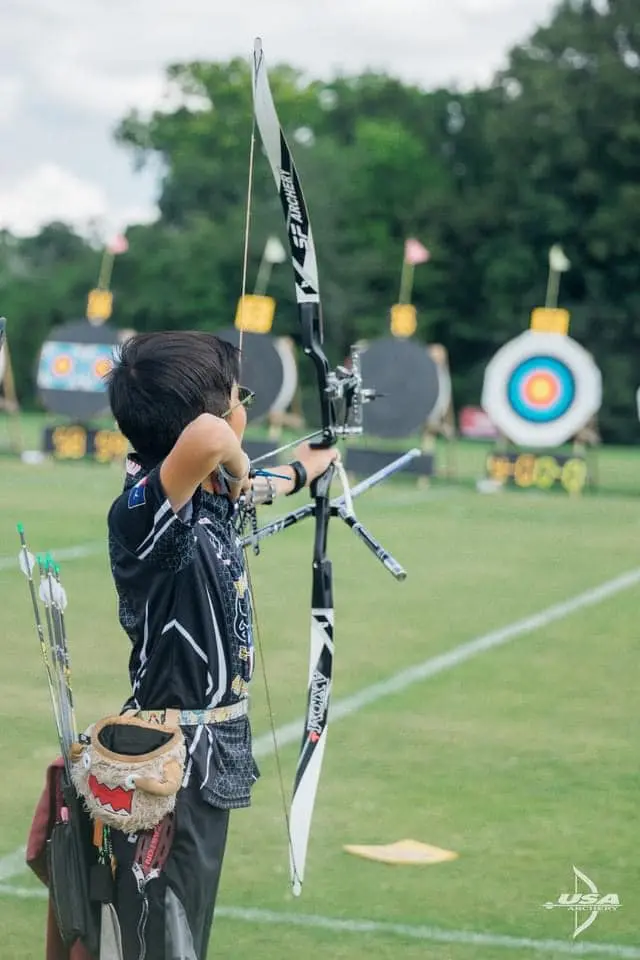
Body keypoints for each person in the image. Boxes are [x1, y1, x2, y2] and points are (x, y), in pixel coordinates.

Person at [105, 330, 337, 959]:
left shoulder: (198, 492)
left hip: (202, 755)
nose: (243, 412)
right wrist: (233, 460)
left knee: (185, 925)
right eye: (240, 399)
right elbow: (213, 443)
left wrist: (313, 463)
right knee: (166, 936)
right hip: (170, 764)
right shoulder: (145, 512)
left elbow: (257, 481)